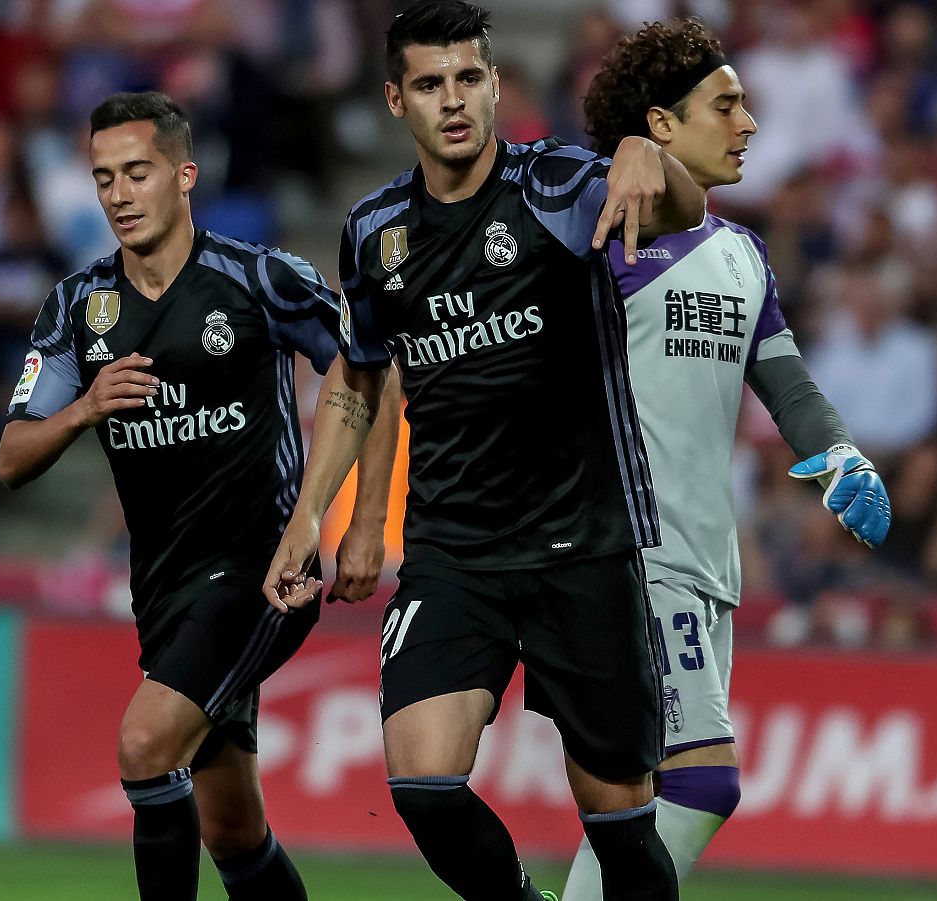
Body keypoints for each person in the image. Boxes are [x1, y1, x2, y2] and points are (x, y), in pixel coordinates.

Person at [261, 2, 706, 899]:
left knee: (618, 817)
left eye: (469, 79)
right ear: (396, 100)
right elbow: (362, 378)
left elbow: (684, 208)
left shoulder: (559, 186)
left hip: (582, 543)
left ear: (497, 85)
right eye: (430, 84)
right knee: (422, 781)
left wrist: (647, 157)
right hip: (454, 551)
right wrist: (324, 519)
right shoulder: (375, 231)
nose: (453, 100)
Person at [0, 91, 399, 901]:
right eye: (103, 176)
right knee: (232, 827)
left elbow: (370, 368)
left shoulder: (257, 278)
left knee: (145, 745)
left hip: (262, 570)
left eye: (136, 172)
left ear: (184, 174)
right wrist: (83, 407)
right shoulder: (80, 309)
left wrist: (361, 520)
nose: (117, 193)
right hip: (167, 586)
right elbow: (11, 457)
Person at [564, 19, 893, 897]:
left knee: (639, 790)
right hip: (630, 549)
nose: (750, 123)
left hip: (708, 558)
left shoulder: (744, 256)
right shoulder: (598, 242)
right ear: (660, 127)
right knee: (704, 779)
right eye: (727, 104)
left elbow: (786, 385)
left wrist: (840, 454)